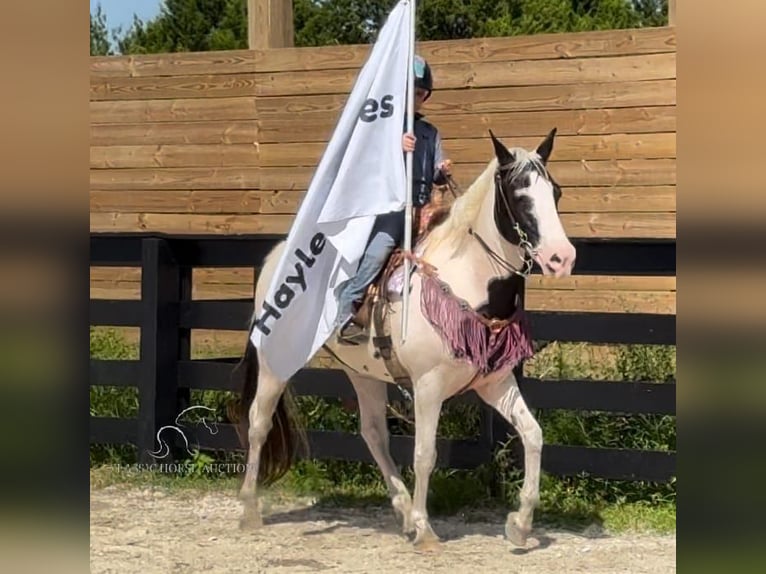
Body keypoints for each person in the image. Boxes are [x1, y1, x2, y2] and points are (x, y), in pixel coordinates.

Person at [336, 55, 453, 341]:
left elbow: (436, 176)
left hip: (422, 208)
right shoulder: (383, 128)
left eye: (420, 94)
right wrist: (395, 147)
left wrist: (442, 171)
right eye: (410, 92)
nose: (415, 98)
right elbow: (368, 164)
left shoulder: (429, 132)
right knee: (378, 253)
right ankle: (346, 310)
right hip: (393, 208)